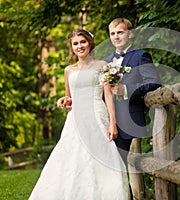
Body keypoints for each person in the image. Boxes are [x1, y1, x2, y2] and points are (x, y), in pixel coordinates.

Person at [29, 29, 129, 199]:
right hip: (75, 118)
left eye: (83, 42)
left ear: (90, 42)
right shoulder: (68, 70)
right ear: (71, 47)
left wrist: (113, 123)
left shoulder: (102, 66)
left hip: (97, 114)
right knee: (73, 155)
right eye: (75, 43)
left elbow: (108, 96)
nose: (79, 46)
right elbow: (70, 98)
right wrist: (64, 100)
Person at [104, 18, 161, 165]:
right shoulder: (106, 61)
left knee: (121, 166)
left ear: (130, 34)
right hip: (104, 120)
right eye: (112, 33)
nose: (116, 36)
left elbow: (153, 82)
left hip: (128, 119)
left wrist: (127, 89)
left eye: (120, 32)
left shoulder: (140, 56)